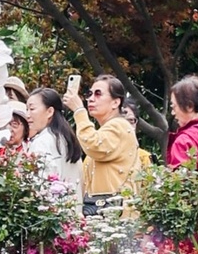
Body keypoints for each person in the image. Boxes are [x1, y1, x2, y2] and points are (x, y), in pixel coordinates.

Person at [65, 73, 138, 214]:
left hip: (117, 216)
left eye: (98, 94)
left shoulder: (119, 126)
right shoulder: (106, 130)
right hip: (101, 212)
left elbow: (93, 144)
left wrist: (79, 111)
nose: (91, 99)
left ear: (115, 102)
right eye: (89, 94)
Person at [25, 88, 84, 200]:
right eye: (26, 109)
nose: (27, 115)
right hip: (72, 207)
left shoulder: (42, 142)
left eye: (32, 109)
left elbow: (40, 187)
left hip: (51, 209)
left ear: (50, 112)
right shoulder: (67, 139)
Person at [166, 77, 198, 169]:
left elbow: (181, 177)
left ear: (189, 106)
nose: (173, 113)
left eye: (174, 106)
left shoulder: (183, 142)